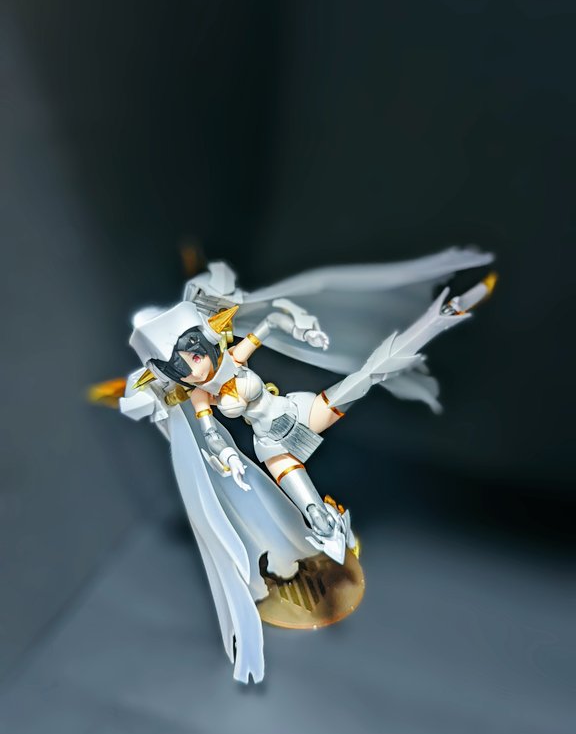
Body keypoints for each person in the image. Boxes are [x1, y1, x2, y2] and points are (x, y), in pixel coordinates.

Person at [116, 247, 495, 683]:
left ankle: (438, 316)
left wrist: (303, 325)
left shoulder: (234, 357)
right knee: (314, 512)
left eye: (194, 355)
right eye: (180, 368)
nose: (194, 369)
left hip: (297, 412)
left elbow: (274, 318)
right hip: (272, 447)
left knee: (367, 377)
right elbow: (211, 432)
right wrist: (226, 457)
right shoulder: (202, 395)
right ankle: (334, 540)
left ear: (202, 342)